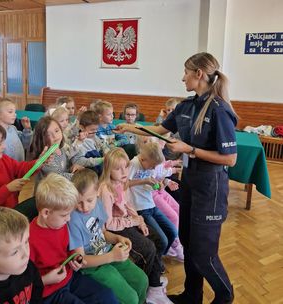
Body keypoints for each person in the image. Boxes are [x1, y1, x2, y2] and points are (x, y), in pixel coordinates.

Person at [115, 52, 237, 304]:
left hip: (210, 188)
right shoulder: (186, 106)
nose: (182, 78)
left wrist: (189, 149)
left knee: (204, 254)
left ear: (199, 74)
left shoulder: (219, 110)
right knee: (189, 244)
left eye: (186, 72)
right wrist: (128, 127)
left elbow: (230, 159)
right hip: (191, 182)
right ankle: (192, 296)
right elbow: (159, 130)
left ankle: (225, 297)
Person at [29, 173, 118, 304]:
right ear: (46, 213)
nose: (69, 219)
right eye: (65, 215)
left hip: (70, 277)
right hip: (49, 291)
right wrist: (45, 280)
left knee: (107, 296)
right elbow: (22, 284)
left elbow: (68, 252)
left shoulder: (61, 223)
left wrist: (75, 260)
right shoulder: (29, 240)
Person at [98, 148, 173, 304]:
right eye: (118, 169)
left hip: (126, 222)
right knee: (148, 249)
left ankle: (154, 285)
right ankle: (145, 286)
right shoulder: (106, 189)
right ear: (108, 169)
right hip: (114, 228)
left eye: (125, 167)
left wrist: (140, 220)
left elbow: (128, 204)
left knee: (159, 240)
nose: (124, 171)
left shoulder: (122, 182)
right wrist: (133, 221)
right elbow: (108, 223)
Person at [69, 168, 148, 304]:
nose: (84, 207)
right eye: (78, 202)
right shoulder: (73, 219)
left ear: (97, 193)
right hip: (93, 266)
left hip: (108, 251)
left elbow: (103, 233)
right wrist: (111, 257)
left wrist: (117, 238)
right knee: (130, 298)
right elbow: (81, 261)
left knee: (142, 281)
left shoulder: (98, 205)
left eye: (89, 200)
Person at [0, 207, 43, 304]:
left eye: (26, 241)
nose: (26, 254)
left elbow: (37, 293)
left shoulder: (26, 266)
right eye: (15, 252)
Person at [127, 142, 177, 257]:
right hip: (140, 208)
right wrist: (144, 181)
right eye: (152, 166)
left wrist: (159, 184)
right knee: (162, 241)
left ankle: (158, 260)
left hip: (151, 205)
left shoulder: (149, 164)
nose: (154, 168)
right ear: (144, 159)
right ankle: (156, 264)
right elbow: (125, 183)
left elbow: (151, 181)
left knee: (172, 232)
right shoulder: (134, 164)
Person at [0, 120, 44, 212]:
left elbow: (21, 168)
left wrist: (37, 163)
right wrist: (7, 189)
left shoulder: (3, 159)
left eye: (3, 142)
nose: (4, 147)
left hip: (11, 211)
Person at [71, 110, 110, 175]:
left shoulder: (94, 137)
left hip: (99, 166)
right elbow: (78, 161)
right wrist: (100, 160)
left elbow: (103, 145)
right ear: (82, 127)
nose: (95, 132)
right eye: (92, 130)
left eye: (96, 129)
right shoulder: (78, 142)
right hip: (89, 171)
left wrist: (107, 152)